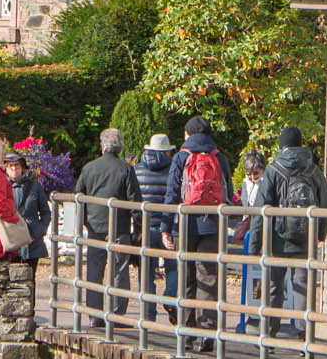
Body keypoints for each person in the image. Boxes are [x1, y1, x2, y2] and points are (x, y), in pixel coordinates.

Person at [261, 125, 327, 341]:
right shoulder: (313, 170)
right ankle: (305, 335)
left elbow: (260, 210)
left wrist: (257, 242)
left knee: (274, 286)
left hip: (277, 240)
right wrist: (320, 234)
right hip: (306, 238)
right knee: (303, 286)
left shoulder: (273, 170)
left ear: (282, 145)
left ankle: (269, 334)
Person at [166, 117, 232, 342]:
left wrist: (166, 226)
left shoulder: (181, 157)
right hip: (213, 223)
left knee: (186, 276)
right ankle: (207, 332)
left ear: (188, 134)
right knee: (209, 276)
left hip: (184, 224)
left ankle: (186, 330)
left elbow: (172, 193)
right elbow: (229, 191)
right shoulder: (219, 157)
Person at [73, 127, 139, 328]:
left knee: (94, 269)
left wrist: (83, 222)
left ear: (102, 146)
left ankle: (94, 315)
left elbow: (79, 197)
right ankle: (117, 314)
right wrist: (138, 227)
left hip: (95, 226)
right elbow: (135, 200)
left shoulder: (89, 168)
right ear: (120, 147)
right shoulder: (126, 169)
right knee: (120, 270)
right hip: (119, 227)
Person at [133, 131, 177, 323]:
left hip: (146, 227)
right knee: (173, 268)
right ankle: (170, 297)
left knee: (146, 272)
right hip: (169, 227)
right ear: (167, 152)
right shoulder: (174, 170)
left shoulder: (137, 169)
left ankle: (148, 314)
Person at [233, 150, 270, 335]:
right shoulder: (246, 184)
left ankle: (262, 314)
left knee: (264, 275)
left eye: (256, 173)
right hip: (250, 230)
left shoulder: (267, 182)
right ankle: (252, 312)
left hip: (264, 231)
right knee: (252, 276)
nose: (253, 177)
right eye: (249, 174)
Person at [4, 148, 51, 270]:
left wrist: (41, 228)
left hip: (32, 239)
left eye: (17, 165)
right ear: (6, 168)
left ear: (22, 167)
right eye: (10, 166)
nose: (14, 169)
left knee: (31, 279)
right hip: (12, 238)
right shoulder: (1, 188)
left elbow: (45, 212)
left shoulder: (35, 187)